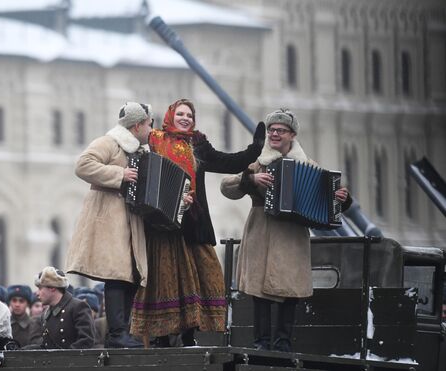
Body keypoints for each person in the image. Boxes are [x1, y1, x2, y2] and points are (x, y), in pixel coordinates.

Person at [130, 98, 266, 346]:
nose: (185, 118)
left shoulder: (198, 145)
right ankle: (162, 336)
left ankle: (189, 334)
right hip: (161, 224)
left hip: (193, 222)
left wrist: (255, 149)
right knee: (165, 279)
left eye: (190, 115)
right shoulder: (154, 141)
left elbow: (228, 162)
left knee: (204, 276)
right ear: (171, 116)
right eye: (181, 114)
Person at [220, 108, 351, 352]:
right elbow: (227, 187)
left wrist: (341, 198)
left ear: (292, 135)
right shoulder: (259, 163)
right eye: (271, 130)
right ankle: (261, 343)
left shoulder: (308, 165)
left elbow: (328, 202)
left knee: (289, 289)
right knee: (259, 291)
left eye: (280, 130)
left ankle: (283, 344)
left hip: (292, 237)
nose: (274, 134)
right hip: (261, 232)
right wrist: (250, 180)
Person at [65, 101, 153, 348]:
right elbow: (83, 165)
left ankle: (123, 331)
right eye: (148, 124)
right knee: (117, 275)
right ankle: (116, 334)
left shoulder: (141, 150)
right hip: (110, 220)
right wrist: (119, 175)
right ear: (137, 125)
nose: (150, 129)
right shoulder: (109, 142)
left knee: (130, 276)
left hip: (130, 220)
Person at [30, 266, 95, 349]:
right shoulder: (46, 314)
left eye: (40, 288)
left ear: (52, 287)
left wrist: (64, 358)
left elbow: (86, 341)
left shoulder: (78, 307)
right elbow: (47, 346)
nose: (37, 293)